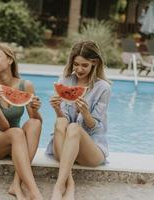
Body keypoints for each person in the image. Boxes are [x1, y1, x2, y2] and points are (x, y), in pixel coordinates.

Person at [47, 41, 111, 200]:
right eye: (76, 64)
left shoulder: (103, 87)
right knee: (61, 122)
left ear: (94, 63)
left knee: (74, 127)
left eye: (84, 65)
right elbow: (63, 120)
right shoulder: (64, 80)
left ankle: (59, 186)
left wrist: (85, 113)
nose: (79, 69)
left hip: (91, 150)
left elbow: (96, 128)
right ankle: (70, 184)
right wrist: (57, 108)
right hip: (63, 148)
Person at [0, 44, 43, 200]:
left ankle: (16, 184)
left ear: (9, 60)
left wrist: (35, 109)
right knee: (16, 131)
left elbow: (37, 120)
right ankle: (35, 192)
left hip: (15, 141)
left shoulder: (25, 85)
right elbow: (4, 127)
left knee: (34, 123)